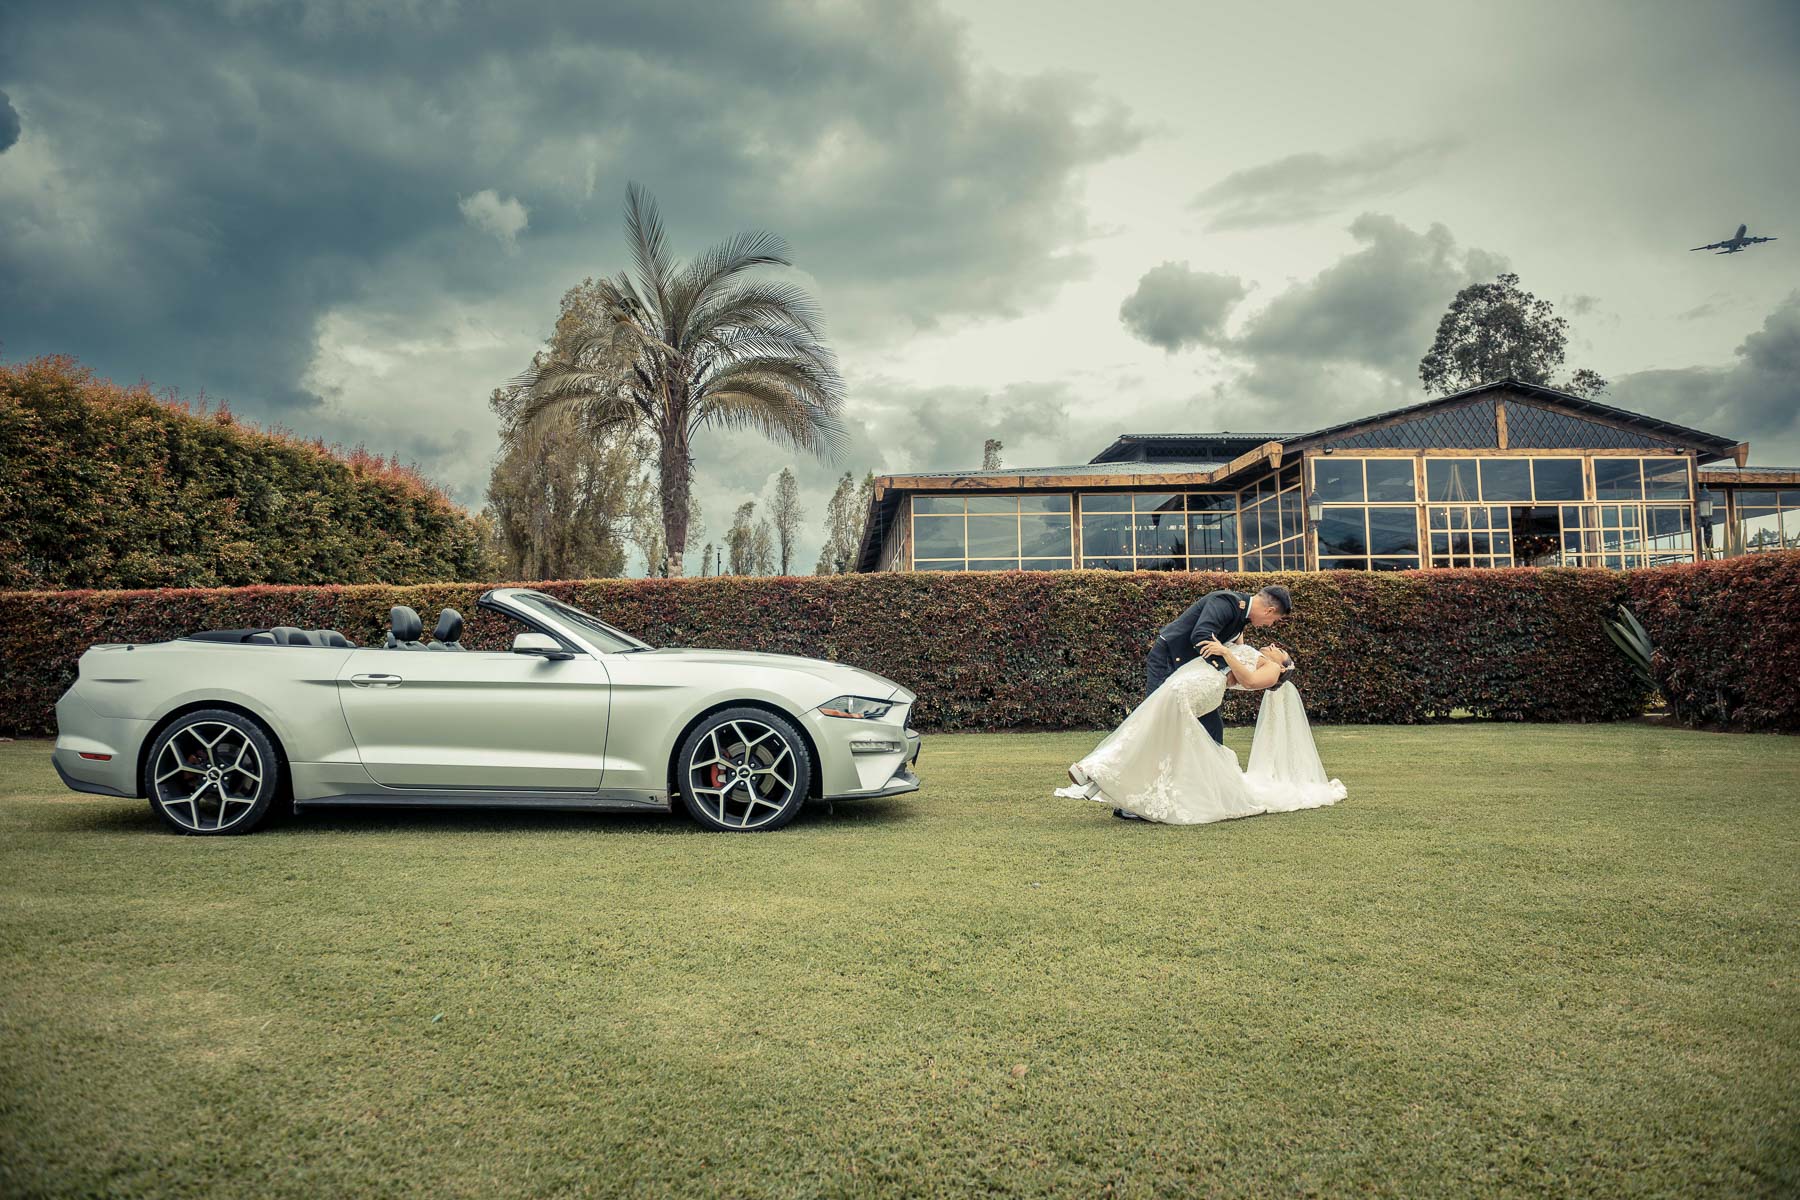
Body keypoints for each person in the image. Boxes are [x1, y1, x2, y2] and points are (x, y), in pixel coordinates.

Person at [1055, 637, 1345, 826]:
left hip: (1204, 688)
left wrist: (1225, 652)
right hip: (1196, 680)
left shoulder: (1271, 669)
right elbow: (1238, 640)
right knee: (1151, 730)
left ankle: (1097, 772)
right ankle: (1099, 775)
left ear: (1283, 666)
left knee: (1152, 727)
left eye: (1281, 650)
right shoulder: (1254, 653)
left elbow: (1249, 680)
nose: (1274, 645)